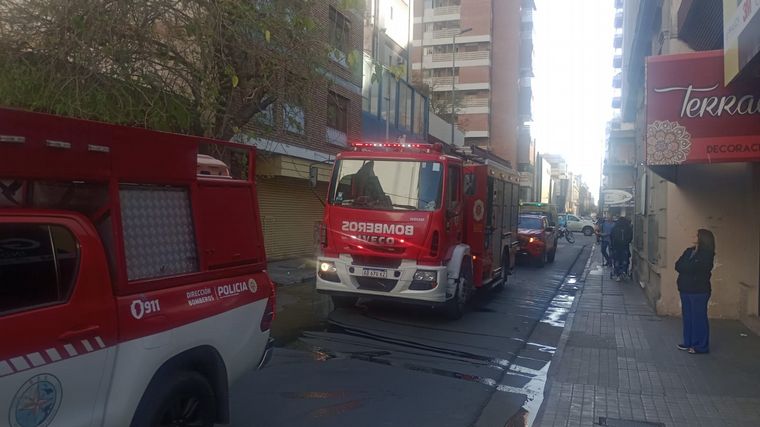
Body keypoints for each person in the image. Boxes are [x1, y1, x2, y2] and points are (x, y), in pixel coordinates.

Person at [675, 229, 715, 354]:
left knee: (699, 318)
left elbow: (696, 268)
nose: (694, 236)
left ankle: (701, 346)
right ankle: (688, 342)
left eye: (697, 235)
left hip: (699, 291)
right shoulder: (689, 251)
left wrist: (687, 267)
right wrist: (688, 267)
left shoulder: (707, 254)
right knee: (688, 317)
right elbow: (678, 265)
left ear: (703, 238)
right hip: (685, 289)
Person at [610, 215, 632, 281]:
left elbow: (612, 237)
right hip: (625, 247)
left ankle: (618, 274)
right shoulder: (628, 228)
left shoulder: (615, 227)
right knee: (625, 260)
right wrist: (626, 242)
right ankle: (624, 271)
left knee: (617, 260)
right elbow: (630, 237)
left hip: (616, 247)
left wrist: (612, 245)